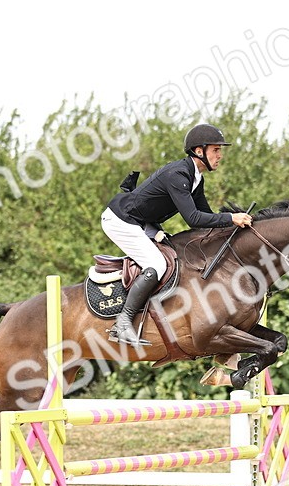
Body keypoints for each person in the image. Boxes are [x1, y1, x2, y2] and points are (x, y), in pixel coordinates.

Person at [101, 123, 253, 345]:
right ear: (199, 151)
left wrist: (236, 230)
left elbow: (207, 218)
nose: (220, 155)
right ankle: (122, 324)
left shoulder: (196, 179)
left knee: (174, 256)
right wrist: (231, 218)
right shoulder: (178, 175)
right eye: (216, 150)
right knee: (157, 264)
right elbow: (193, 219)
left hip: (144, 221)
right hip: (120, 220)